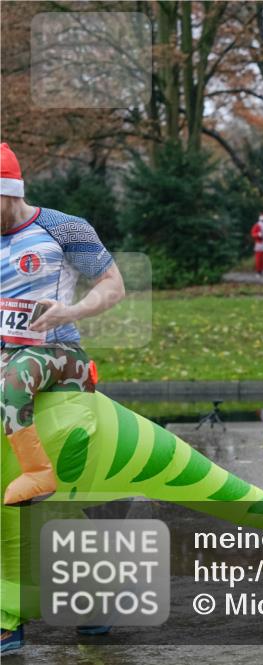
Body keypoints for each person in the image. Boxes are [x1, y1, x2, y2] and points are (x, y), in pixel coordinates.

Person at [0, 142, 126, 508]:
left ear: (9, 193)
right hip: (5, 352)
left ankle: (39, 474)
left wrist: (70, 312)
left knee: (14, 381)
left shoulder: (63, 228)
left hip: (57, 352)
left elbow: (113, 286)